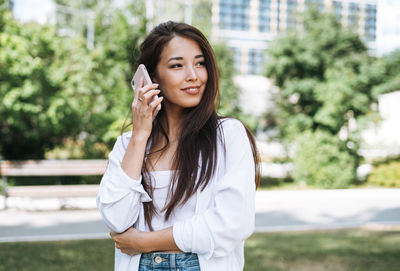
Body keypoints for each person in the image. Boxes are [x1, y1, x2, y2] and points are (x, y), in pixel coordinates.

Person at [97, 21, 260, 271]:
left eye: (199, 63)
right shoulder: (128, 144)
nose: (193, 75)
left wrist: (145, 242)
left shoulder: (228, 136)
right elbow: (117, 221)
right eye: (177, 65)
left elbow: (232, 224)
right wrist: (140, 134)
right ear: (151, 78)